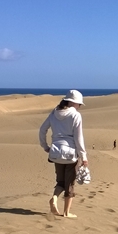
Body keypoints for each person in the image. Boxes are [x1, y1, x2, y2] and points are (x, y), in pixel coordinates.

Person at [39, 90, 88, 218]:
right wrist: (84, 156)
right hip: (71, 155)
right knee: (70, 184)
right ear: (73, 103)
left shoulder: (54, 113)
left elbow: (42, 129)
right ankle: (66, 212)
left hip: (56, 153)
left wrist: (45, 146)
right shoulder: (75, 115)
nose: (79, 106)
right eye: (79, 104)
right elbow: (78, 138)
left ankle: (54, 198)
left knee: (60, 181)